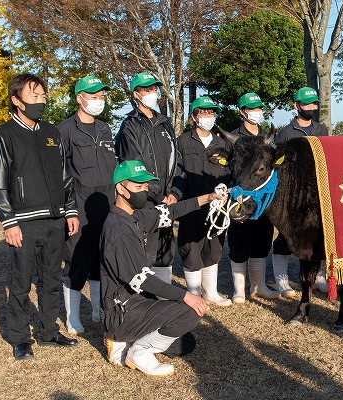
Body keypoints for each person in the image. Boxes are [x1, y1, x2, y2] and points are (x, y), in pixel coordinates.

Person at [0, 73, 80, 361]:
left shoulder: (52, 133)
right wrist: (9, 220)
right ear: (16, 100)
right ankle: (19, 337)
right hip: (24, 222)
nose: (41, 101)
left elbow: (66, 175)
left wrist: (71, 210)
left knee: (52, 276)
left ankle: (48, 330)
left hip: (55, 220)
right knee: (21, 280)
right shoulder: (3, 135)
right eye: (34, 96)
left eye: (43, 96)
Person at [101, 160, 223, 376]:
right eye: (138, 187)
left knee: (185, 343)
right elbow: (142, 280)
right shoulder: (118, 229)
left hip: (137, 303)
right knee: (189, 312)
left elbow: (172, 211)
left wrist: (209, 197)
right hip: (122, 311)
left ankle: (128, 342)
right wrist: (185, 295)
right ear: (121, 188)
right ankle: (137, 352)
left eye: (146, 187)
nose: (144, 191)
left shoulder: (134, 217)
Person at [57, 75, 117, 334]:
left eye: (101, 96)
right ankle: (72, 318)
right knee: (77, 258)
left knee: (102, 258)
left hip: (106, 202)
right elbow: (61, 172)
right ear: (79, 98)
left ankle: (97, 310)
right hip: (79, 204)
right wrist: (69, 209)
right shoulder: (65, 129)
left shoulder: (105, 128)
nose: (98, 100)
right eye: (93, 96)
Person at [115, 71, 182, 286]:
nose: (153, 93)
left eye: (155, 89)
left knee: (165, 249)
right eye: (147, 89)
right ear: (136, 94)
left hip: (167, 199)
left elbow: (176, 161)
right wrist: (156, 193)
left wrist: (175, 192)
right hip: (144, 201)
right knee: (145, 251)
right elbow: (134, 168)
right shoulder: (130, 126)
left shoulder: (165, 124)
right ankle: (143, 300)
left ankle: (163, 297)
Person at [173, 96, 232, 307]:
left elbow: (228, 172)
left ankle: (211, 292)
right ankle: (193, 293)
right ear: (193, 116)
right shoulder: (182, 141)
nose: (207, 116)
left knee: (214, 247)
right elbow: (176, 172)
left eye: (211, 112)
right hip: (191, 203)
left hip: (217, 205)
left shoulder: (222, 143)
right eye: (203, 112)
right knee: (191, 246)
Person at [273, 87, 329, 294]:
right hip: (293, 193)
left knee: (319, 234)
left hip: (317, 190)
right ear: (297, 106)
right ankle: (282, 279)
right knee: (285, 235)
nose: (311, 108)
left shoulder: (321, 130)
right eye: (306, 104)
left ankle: (320, 275)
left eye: (314, 104)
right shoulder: (286, 133)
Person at [227, 93, 281, 302]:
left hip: (265, 200)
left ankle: (258, 286)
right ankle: (239, 289)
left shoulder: (268, 138)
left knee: (262, 239)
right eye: (251, 108)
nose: (256, 112)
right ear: (242, 111)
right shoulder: (234, 138)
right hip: (242, 197)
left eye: (259, 108)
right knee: (239, 240)